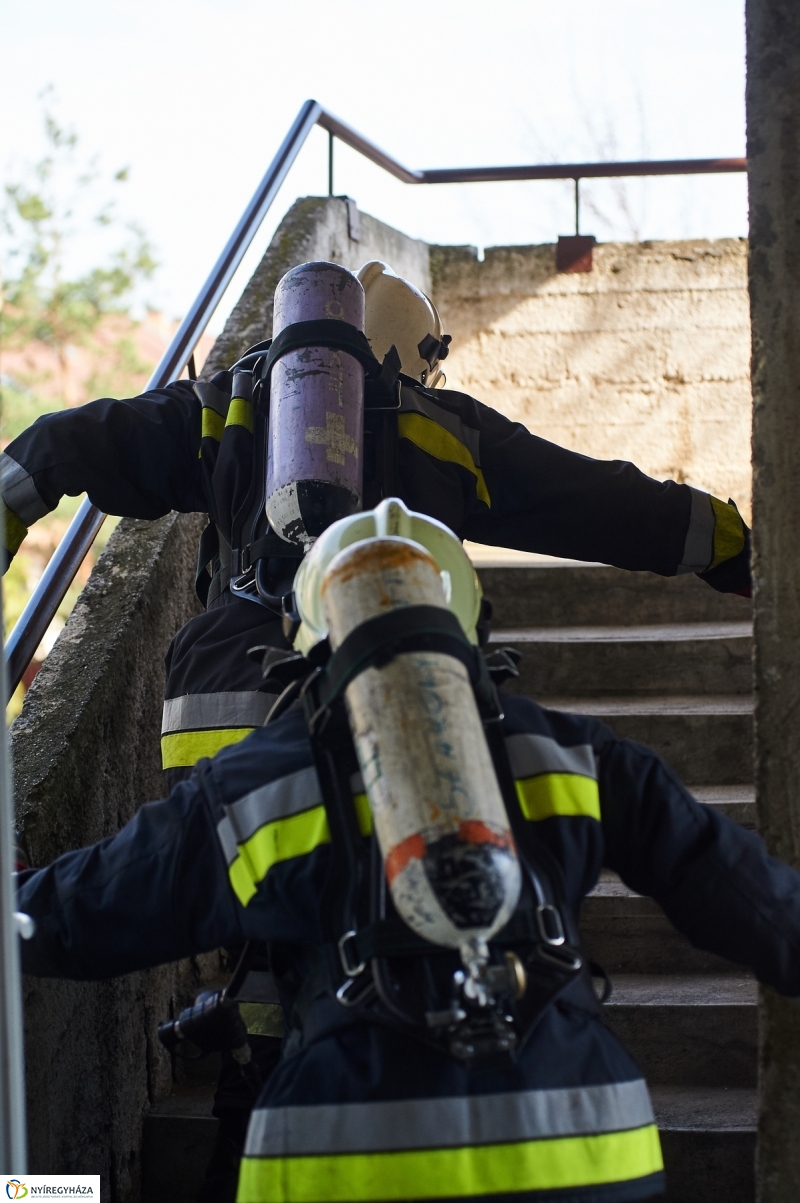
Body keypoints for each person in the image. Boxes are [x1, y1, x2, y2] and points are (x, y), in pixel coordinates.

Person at [14, 504, 794, 1203]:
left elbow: (91, 908)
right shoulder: (579, 755)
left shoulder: (254, 786)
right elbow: (744, 895)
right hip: (587, 1147)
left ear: (308, 644)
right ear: (471, 627)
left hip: (343, 1151)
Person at [1, 261, 751, 793]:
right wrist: (728, 543)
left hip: (223, 703)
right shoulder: (444, 428)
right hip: (396, 694)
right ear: (419, 358)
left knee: (241, 901)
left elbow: (67, 441)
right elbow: (594, 498)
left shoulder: (222, 409)